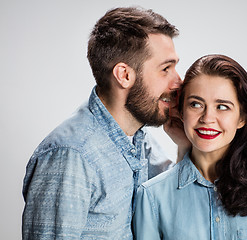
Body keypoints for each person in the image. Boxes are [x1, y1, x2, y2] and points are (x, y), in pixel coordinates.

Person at [22, 7, 188, 239]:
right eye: (166, 69)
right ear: (124, 75)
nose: (178, 82)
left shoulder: (137, 138)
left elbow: (174, 199)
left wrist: (184, 146)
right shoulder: (70, 156)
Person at [133, 54, 247, 239]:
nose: (207, 118)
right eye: (195, 104)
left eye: (222, 107)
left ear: (242, 117)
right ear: (180, 111)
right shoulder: (152, 197)